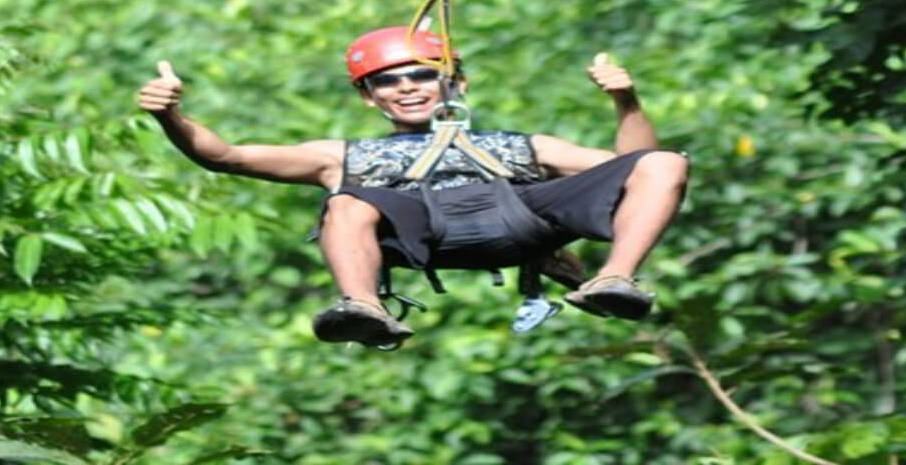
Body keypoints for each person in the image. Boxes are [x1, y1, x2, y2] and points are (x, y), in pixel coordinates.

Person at [136, 27, 688, 347]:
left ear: (454, 83)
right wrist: (171, 118)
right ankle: (362, 306)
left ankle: (614, 279)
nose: (407, 87)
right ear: (369, 98)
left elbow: (635, 164)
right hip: (421, 232)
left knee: (664, 163)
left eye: (422, 74)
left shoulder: (525, 145)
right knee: (347, 198)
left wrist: (626, 102)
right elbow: (227, 156)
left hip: (520, 218)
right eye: (388, 81)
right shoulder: (342, 157)